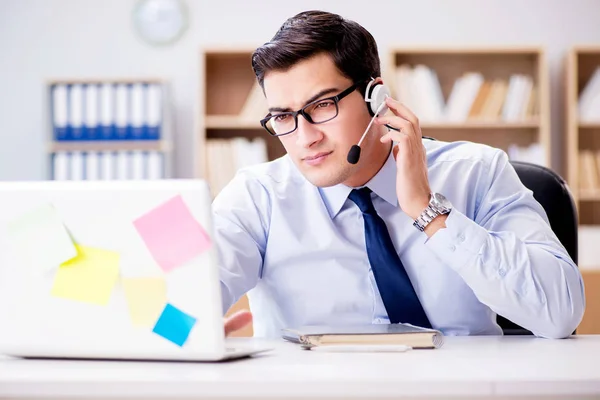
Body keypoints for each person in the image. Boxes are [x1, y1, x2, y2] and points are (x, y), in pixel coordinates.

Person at [216, 10, 585, 339]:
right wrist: (181, 333)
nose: (305, 137)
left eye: (322, 105)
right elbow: (175, 299)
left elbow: (560, 315)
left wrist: (430, 213)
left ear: (376, 97)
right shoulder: (256, 197)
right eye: (283, 117)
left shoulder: (477, 172)